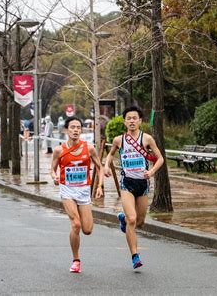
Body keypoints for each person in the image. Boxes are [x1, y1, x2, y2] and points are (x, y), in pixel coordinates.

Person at [104, 106, 164, 270]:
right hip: (127, 183)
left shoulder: (147, 139)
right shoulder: (119, 140)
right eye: (128, 118)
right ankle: (135, 256)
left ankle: (122, 218)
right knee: (132, 219)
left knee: (140, 222)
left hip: (143, 184)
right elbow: (110, 154)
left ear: (140, 121)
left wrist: (151, 172)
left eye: (134, 118)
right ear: (124, 121)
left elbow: (160, 159)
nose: (131, 121)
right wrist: (106, 166)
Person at [51, 116, 104, 273]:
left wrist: (99, 186)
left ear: (81, 130)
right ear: (66, 130)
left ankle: (76, 255)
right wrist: (54, 177)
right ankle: (76, 260)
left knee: (87, 229)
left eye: (78, 127)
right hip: (67, 191)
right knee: (76, 224)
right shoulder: (59, 150)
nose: (75, 130)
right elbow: (52, 169)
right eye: (72, 127)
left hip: (83, 191)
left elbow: (100, 168)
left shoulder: (90, 148)